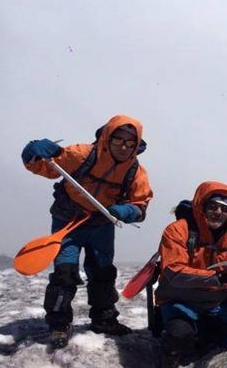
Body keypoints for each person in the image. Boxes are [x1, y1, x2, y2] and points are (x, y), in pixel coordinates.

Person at [21, 115, 153, 349]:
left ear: (136, 145)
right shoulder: (82, 154)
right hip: (67, 221)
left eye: (129, 142)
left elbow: (140, 206)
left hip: (100, 225)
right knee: (65, 273)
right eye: (118, 140)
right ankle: (59, 324)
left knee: (102, 272)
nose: (123, 146)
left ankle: (104, 320)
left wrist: (125, 211)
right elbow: (44, 167)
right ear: (107, 138)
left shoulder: (135, 173)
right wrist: (31, 153)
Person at [154, 181, 227, 368]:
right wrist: (216, 278)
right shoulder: (177, 230)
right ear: (201, 206)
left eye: (225, 209)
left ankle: (206, 334)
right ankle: (168, 360)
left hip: (219, 302)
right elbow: (174, 272)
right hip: (181, 300)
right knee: (178, 334)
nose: (218, 212)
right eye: (213, 206)